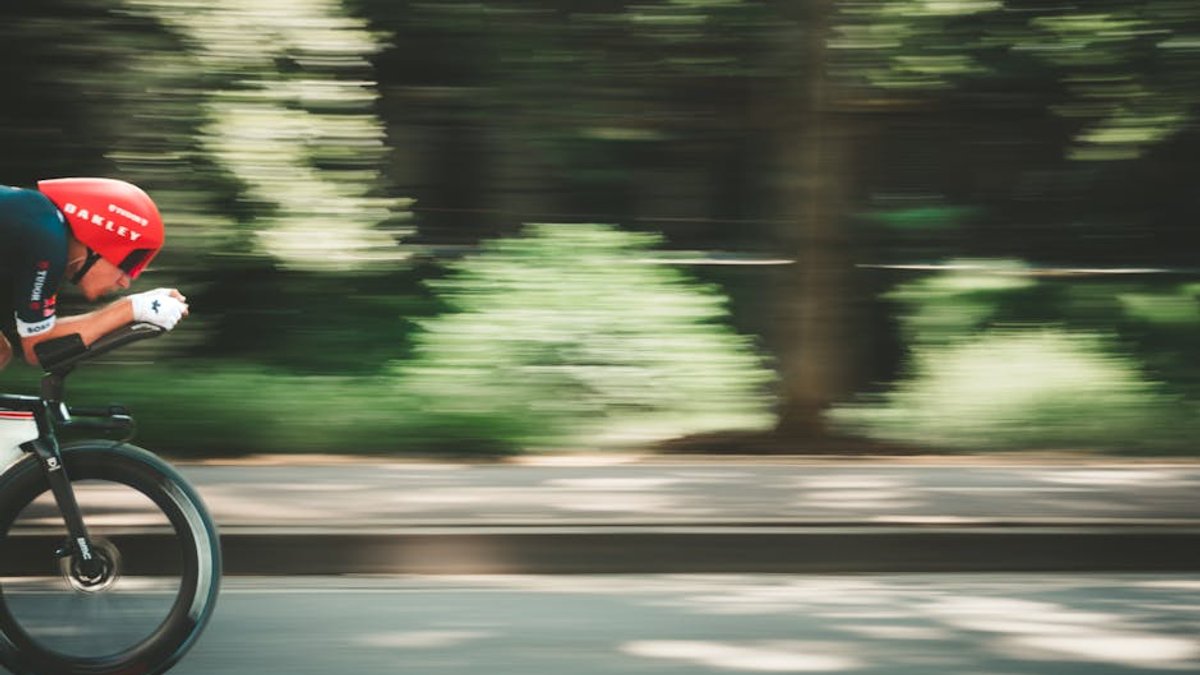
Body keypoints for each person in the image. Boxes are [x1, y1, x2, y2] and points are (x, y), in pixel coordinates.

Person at [0, 178, 188, 371]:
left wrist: (137, 306)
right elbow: (36, 347)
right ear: (98, 245)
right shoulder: (47, 238)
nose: (125, 283)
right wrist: (132, 309)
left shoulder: (40, 222)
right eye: (128, 265)